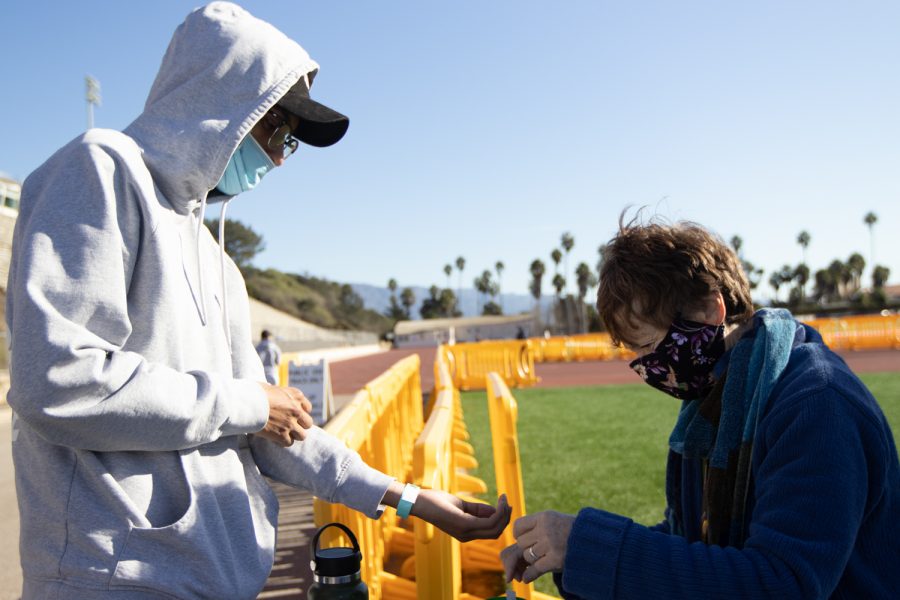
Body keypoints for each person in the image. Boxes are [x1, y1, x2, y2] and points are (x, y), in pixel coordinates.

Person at [7, 3, 509, 598]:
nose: (277, 157)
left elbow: (271, 429)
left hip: (217, 578)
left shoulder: (221, 266)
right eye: (274, 128)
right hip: (114, 580)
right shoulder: (101, 169)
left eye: (290, 142)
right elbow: (57, 379)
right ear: (217, 107)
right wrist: (246, 403)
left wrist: (406, 497)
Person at [501, 215, 900, 598]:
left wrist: (589, 546)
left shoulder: (816, 403)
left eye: (648, 343)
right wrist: (571, 556)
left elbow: (782, 582)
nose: (646, 365)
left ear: (711, 310)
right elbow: (692, 542)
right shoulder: (717, 401)